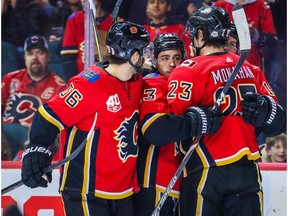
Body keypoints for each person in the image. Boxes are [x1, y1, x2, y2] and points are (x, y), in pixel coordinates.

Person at [165, 6, 286, 216]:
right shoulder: (252, 70)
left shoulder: (187, 70)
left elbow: (172, 124)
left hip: (205, 169)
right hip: (247, 171)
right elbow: (278, 121)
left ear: (201, 35)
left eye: (194, 34)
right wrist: (266, 110)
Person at [21, 21, 151, 216]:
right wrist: (35, 151)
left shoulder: (136, 79)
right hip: (85, 191)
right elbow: (47, 116)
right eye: (144, 50)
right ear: (133, 55)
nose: (147, 56)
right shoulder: (89, 85)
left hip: (122, 191)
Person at [134, 33, 187, 216]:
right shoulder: (152, 83)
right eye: (165, 58)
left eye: (177, 58)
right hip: (154, 180)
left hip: (179, 178)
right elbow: (156, 129)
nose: (172, 64)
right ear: (155, 61)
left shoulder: (186, 84)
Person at [1, 35, 67, 128]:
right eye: (30, 53)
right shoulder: (10, 79)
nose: (35, 57)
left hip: (36, 139)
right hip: (6, 136)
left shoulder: (60, 87)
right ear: (25, 57)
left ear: (48, 56)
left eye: (40, 53)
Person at [60, 0, 114, 81]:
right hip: (83, 82)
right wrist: (75, 83)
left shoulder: (113, 21)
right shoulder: (75, 19)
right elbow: (68, 59)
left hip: (108, 81)